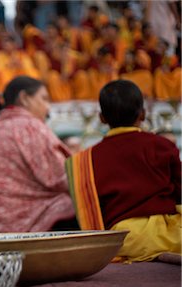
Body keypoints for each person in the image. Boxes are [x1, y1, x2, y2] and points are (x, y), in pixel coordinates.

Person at [66, 79, 181, 263]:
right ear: (143, 114)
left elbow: (92, 216)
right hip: (170, 236)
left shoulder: (85, 160)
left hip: (124, 240)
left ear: (102, 118)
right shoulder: (163, 146)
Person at [0, 76, 78, 233]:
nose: (48, 108)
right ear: (24, 98)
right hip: (19, 219)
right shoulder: (29, 125)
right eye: (43, 99)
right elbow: (64, 178)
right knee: (84, 203)